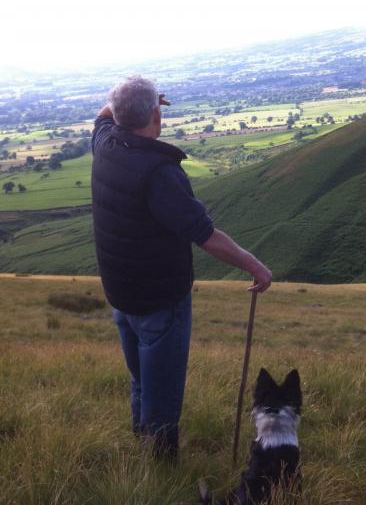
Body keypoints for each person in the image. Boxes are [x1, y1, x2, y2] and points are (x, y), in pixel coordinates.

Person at [91, 75, 272, 459]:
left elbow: (104, 114)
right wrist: (256, 267)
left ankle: (141, 442)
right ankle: (159, 464)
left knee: (140, 378)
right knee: (163, 392)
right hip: (160, 300)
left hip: (121, 296)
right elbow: (205, 235)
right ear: (156, 115)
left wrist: (129, 100)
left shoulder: (105, 143)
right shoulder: (160, 173)